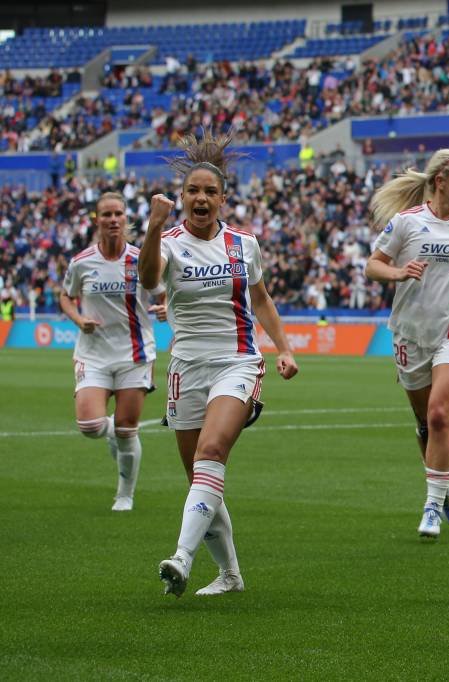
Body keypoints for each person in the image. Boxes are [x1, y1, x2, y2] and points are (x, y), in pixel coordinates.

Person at [138, 132, 299, 597]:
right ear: (183, 198)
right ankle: (230, 575)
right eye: (193, 191)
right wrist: (151, 227)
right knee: (200, 479)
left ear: (223, 200)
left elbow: (262, 299)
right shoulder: (167, 242)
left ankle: (181, 558)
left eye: (210, 192)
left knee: (211, 453)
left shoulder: (243, 244)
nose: (201, 198)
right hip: (185, 369)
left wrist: (284, 348)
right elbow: (149, 280)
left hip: (237, 362)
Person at [365, 149, 449, 539]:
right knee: (425, 423)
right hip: (410, 333)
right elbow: (372, 265)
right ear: (441, 180)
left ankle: (432, 507)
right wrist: (399, 272)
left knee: (439, 415)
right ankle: (443, 487)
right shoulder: (406, 223)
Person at [59, 192, 167, 511]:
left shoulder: (140, 259)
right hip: (93, 353)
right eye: (106, 214)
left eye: (118, 213)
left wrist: (164, 308)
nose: (113, 219)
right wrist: (79, 319)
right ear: (97, 220)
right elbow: (66, 296)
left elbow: (165, 294)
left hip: (135, 354)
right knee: (91, 426)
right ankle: (111, 433)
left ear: (126, 218)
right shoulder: (81, 262)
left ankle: (125, 494)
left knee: (126, 429)